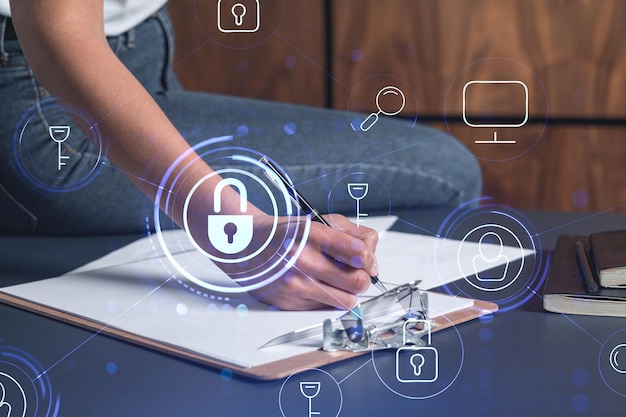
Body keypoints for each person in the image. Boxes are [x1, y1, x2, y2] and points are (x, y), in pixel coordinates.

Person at [0, 1, 481, 310]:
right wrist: (230, 232)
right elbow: (57, 28)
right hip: (48, 108)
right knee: (445, 171)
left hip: (140, 58)